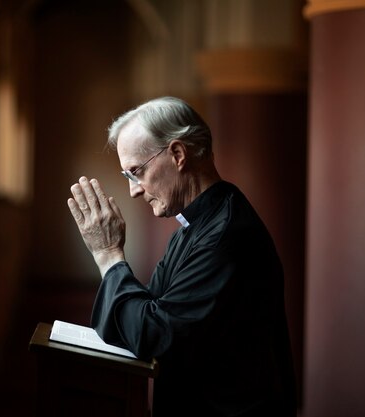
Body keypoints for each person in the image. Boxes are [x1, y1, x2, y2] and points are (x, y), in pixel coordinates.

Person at [67, 96, 297, 417]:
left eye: (136, 172)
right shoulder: (194, 226)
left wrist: (108, 254)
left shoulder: (226, 235)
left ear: (177, 154)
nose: (134, 189)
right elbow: (143, 316)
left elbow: (155, 337)